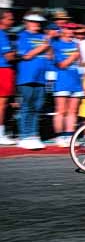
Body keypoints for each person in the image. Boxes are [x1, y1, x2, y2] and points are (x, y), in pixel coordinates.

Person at [16, 13, 50, 149]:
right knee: (27, 107)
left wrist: (48, 46)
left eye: (38, 23)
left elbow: (49, 55)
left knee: (37, 108)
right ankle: (24, 136)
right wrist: (45, 45)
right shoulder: (23, 36)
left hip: (41, 78)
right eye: (34, 22)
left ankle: (34, 135)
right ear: (27, 23)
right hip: (27, 77)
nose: (37, 25)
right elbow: (26, 55)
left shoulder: (43, 37)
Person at [52, 22, 84, 147]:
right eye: (69, 29)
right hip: (62, 81)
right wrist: (74, 55)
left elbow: (80, 64)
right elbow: (62, 64)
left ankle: (70, 135)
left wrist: (79, 53)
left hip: (76, 81)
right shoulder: (57, 45)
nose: (72, 32)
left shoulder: (76, 44)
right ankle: (59, 137)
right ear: (63, 30)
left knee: (73, 111)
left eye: (73, 29)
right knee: (61, 111)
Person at [0, 8, 16, 145]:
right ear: (2, 20)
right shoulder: (2, 35)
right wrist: (18, 53)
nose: (12, 21)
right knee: (1, 104)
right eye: (9, 19)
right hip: (3, 70)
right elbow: (9, 56)